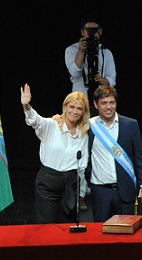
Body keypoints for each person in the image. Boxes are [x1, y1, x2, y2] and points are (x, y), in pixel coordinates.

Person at [65, 16, 117, 211]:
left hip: (100, 102)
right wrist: (81, 50)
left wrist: (103, 80)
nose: (92, 34)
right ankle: (80, 195)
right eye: (88, 30)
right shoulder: (72, 50)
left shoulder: (106, 53)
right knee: (79, 148)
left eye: (95, 30)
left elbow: (112, 78)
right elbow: (75, 70)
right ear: (82, 32)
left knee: (98, 147)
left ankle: (97, 188)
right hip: (80, 102)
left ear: (101, 32)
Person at [21, 84, 90, 224]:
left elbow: (82, 167)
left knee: (67, 228)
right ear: (65, 107)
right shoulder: (52, 125)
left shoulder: (85, 133)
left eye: (79, 109)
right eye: (72, 107)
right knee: (47, 228)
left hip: (71, 184)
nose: (75, 112)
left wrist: (81, 193)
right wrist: (27, 106)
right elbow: (35, 121)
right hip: (48, 183)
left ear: (84, 112)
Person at [88, 86, 142, 222]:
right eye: (104, 103)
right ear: (95, 104)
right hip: (100, 193)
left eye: (112, 102)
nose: (109, 107)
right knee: (101, 237)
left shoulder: (131, 125)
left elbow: (140, 158)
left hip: (125, 191)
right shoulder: (89, 127)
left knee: (127, 238)